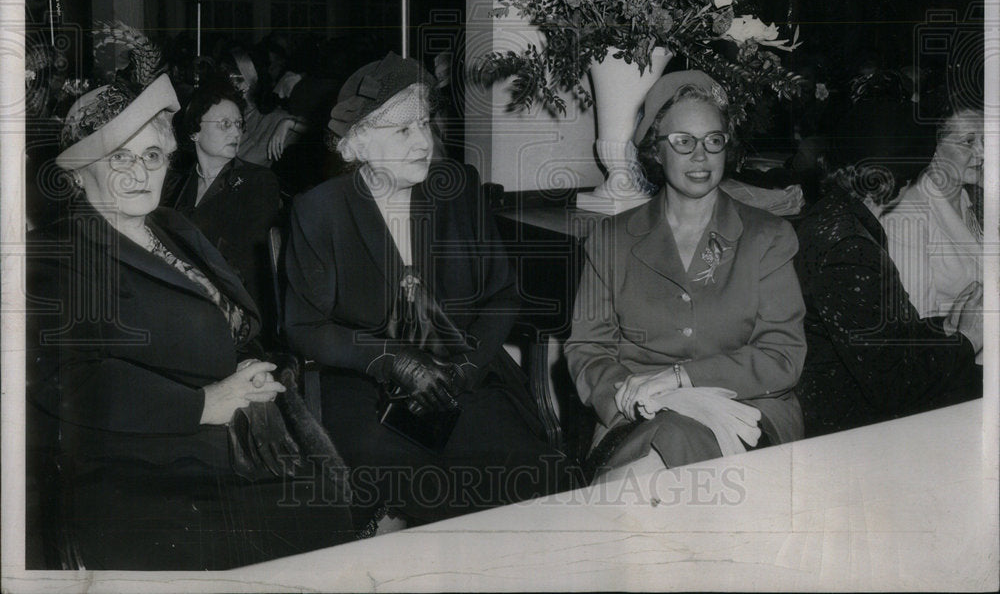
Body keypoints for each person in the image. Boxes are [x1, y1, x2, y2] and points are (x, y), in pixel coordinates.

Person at [26, 37, 354, 570]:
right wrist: (204, 403)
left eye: (152, 155)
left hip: (240, 430)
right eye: (118, 159)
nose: (139, 173)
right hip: (148, 462)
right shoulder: (60, 253)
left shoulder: (173, 226)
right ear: (78, 176)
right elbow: (67, 379)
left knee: (335, 518)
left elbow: (237, 319)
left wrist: (251, 366)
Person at [283, 52, 557, 528]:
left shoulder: (460, 190)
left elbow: (501, 296)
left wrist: (466, 369)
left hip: (465, 374)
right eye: (403, 130)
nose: (423, 142)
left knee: (522, 472)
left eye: (425, 124)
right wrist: (396, 361)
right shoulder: (320, 211)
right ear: (356, 146)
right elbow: (304, 325)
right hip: (365, 387)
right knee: (408, 486)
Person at [565, 71, 807, 481]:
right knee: (646, 473)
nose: (701, 156)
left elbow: (782, 356)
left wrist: (681, 379)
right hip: (637, 413)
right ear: (656, 152)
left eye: (714, 140)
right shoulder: (611, 239)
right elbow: (587, 349)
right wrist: (628, 396)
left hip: (748, 409)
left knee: (649, 475)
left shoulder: (768, 237)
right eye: (683, 142)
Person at [793, 101, 982, 438]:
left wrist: (945, 326)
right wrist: (967, 339)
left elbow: (890, 340)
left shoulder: (834, 218)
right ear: (898, 181)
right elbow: (895, 384)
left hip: (853, 406)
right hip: (850, 427)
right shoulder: (851, 247)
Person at [170, 77, 283, 336]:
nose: (236, 133)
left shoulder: (259, 181)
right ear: (194, 131)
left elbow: (243, 262)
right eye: (224, 125)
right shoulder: (174, 187)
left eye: (238, 125)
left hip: (234, 310)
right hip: (183, 300)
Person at [881, 107, 984, 343]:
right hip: (951, 357)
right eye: (968, 141)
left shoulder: (970, 198)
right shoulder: (907, 214)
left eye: (985, 140)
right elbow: (918, 321)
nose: (982, 152)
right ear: (934, 147)